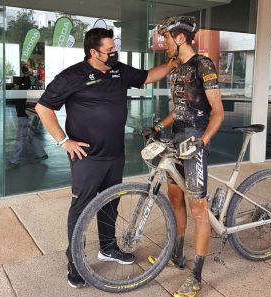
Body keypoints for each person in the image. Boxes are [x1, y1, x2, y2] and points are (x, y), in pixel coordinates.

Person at [35, 28, 177, 289]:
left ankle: (108, 248)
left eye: (115, 49)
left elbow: (148, 77)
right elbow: (43, 108)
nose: (114, 54)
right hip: (88, 158)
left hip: (115, 155)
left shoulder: (119, 71)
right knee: (81, 210)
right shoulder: (72, 76)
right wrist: (64, 141)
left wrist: (172, 63)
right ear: (93, 52)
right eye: (109, 51)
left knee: (110, 204)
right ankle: (75, 262)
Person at [144, 16, 224, 297]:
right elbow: (179, 110)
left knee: (198, 208)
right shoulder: (176, 70)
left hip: (196, 143)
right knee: (175, 197)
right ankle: (177, 254)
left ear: (180, 39)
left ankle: (197, 275)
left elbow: (218, 112)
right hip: (176, 139)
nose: (163, 43)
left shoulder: (204, 65)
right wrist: (158, 126)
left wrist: (201, 142)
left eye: (166, 39)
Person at [9, 67, 48, 168]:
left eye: (15, 86)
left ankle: (14, 160)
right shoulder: (23, 88)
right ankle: (41, 154)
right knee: (30, 135)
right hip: (30, 114)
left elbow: (25, 86)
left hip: (26, 115)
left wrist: (25, 78)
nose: (14, 87)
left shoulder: (25, 86)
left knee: (21, 137)